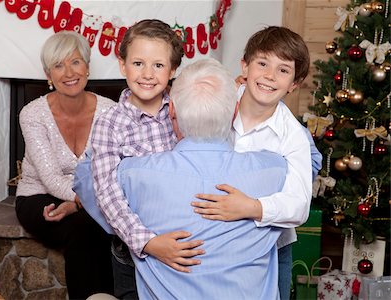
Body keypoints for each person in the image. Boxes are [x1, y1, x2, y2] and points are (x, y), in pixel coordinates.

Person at [117, 58, 287, 299]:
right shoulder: (274, 169)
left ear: (171, 110)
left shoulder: (132, 173)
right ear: (235, 111)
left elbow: (86, 179)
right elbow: (311, 159)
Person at [191, 26, 320, 300]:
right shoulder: (218, 105)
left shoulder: (293, 136)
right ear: (245, 67)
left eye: (283, 70)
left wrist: (251, 207)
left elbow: (298, 206)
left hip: (270, 248)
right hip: (211, 237)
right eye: (262, 63)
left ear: (294, 84)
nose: (269, 76)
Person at [88, 19, 207, 299]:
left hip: (183, 243)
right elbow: (107, 194)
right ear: (122, 64)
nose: (147, 74)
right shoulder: (109, 124)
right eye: (138, 63)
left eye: (158, 65)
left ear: (173, 69)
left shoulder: (185, 111)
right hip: (132, 251)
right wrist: (149, 243)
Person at [15, 30, 114, 300]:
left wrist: (78, 203)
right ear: (49, 76)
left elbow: (112, 168)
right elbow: (49, 176)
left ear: (87, 67)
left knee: (92, 224)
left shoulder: (110, 111)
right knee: (86, 226)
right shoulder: (32, 114)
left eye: (75, 62)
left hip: (88, 197)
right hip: (39, 195)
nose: (68, 72)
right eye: (58, 65)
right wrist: (82, 201)